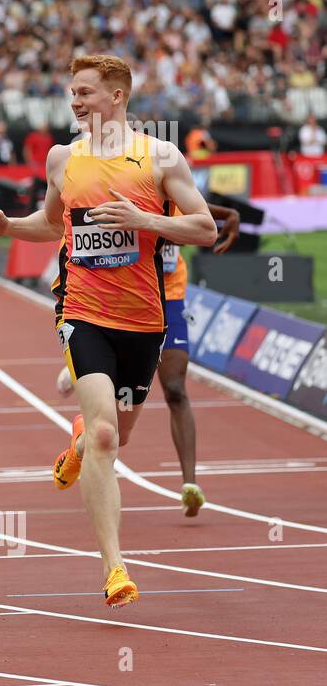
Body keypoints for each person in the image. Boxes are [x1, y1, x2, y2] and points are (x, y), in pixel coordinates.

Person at [0, 54, 216, 608]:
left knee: (115, 436)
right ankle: (115, 568)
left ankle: (79, 439)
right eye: (72, 92)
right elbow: (51, 224)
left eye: (86, 93)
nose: (75, 102)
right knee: (107, 437)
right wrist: (9, 225)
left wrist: (145, 220)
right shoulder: (62, 159)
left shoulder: (159, 157)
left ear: (118, 96)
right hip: (83, 312)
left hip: (145, 320)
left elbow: (205, 226)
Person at [58, 199, 240, 516]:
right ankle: (84, 365)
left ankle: (189, 485)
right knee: (113, 422)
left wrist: (229, 215)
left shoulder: (168, 183)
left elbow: (198, 213)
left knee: (175, 388)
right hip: (128, 299)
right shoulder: (119, 194)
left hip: (170, 297)